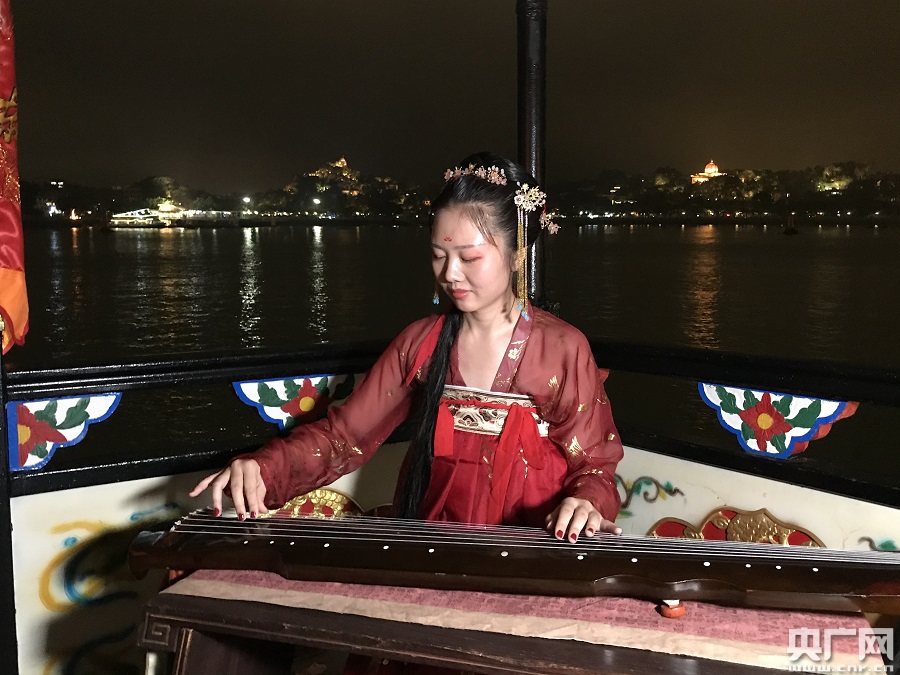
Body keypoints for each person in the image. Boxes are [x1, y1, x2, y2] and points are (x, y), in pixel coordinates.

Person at [191, 151, 624, 543]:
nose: (450, 273)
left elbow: (595, 464)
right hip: (433, 536)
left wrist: (586, 501)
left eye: (469, 258)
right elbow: (345, 437)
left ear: (516, 254)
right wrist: (263, 467)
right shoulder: (420, 342)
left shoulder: (562, 348)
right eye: (439, 255)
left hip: (533, 542)